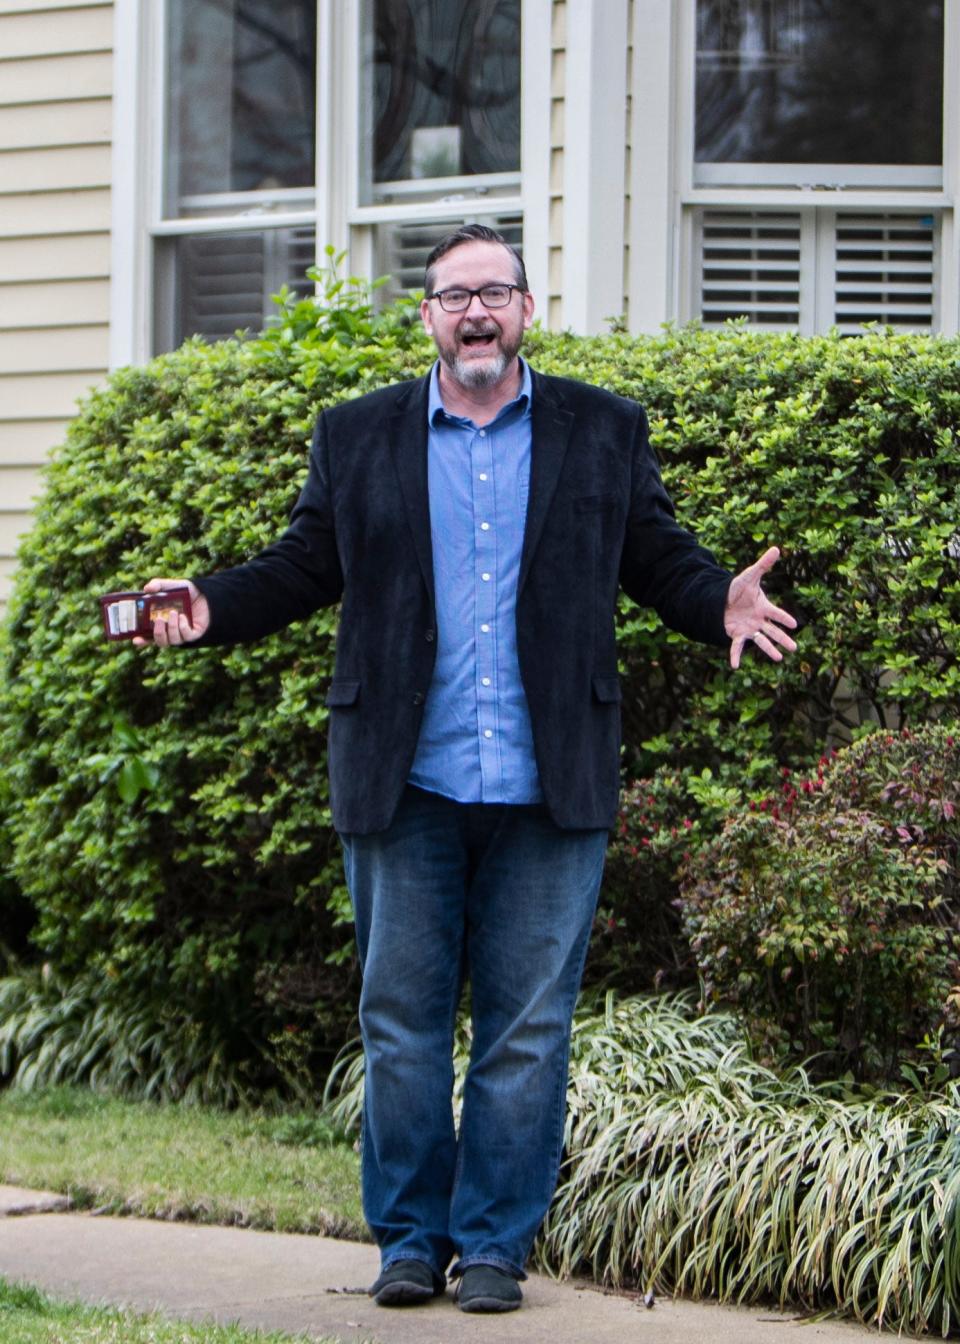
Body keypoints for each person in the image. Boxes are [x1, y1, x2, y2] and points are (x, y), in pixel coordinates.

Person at [136, 224, 797, 1314]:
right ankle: (407, 1239)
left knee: (526, 1029)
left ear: (528, 309)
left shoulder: (601, 429)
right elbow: (305, 564)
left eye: (496, 291)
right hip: (407, 780)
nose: (477, 311)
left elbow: (657, 556)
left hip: (551, 781)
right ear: (430, 316)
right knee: (398, 1022)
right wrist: (210, 606)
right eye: (455, 295)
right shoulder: (356, 437)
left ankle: (494, 1244)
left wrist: (714, 597)